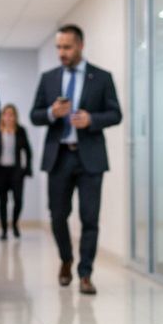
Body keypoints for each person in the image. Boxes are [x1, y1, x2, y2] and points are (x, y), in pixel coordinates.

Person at [29, 24, 121, 295]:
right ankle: (66, 259)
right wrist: (51, 113)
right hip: (58, 158)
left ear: (81, 45)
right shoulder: (49, 78)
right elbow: (35, 115)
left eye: (67, 47)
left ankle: (85, 273)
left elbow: (116, 114)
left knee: (89, 217)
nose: (62, 53)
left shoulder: (101, 78)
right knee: (58, 216)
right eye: (59, 47)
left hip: (90, 158)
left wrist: (92, 119)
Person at [0, 104, 33, 240]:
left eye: (11, 115)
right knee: (2, 202)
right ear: (2, 117)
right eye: (6, 114)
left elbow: (28, 151)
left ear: (15, 117)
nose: (9, 117)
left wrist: (27, 169)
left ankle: (14, 224)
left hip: (16, 171)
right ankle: (3, 230)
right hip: (0, 172)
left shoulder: (21, 131)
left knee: (18, 200)